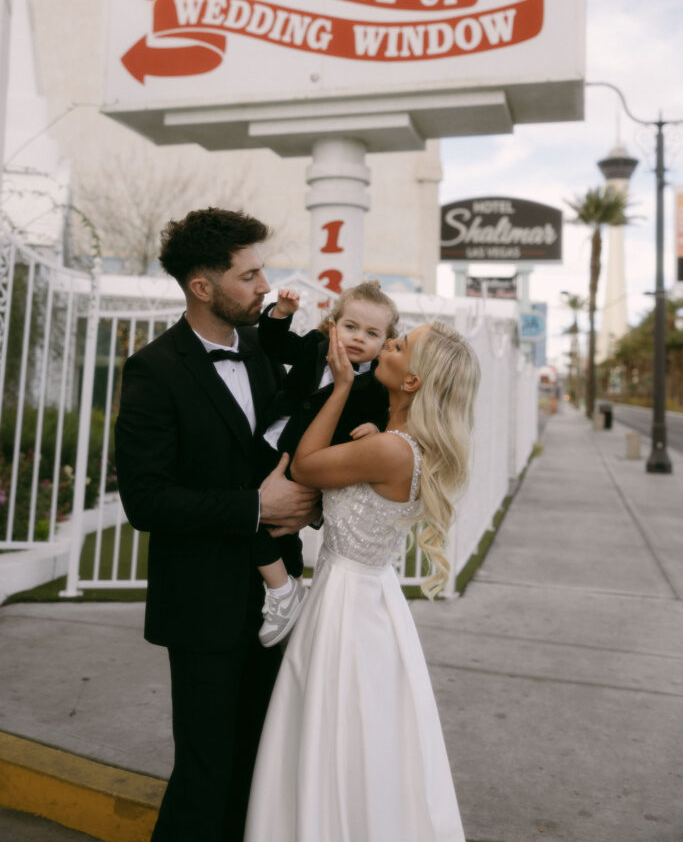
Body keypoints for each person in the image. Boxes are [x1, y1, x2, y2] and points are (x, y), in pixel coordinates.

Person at [114, 208, 320, 842]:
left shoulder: (265, 350)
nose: (265, 286)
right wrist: (257, 509)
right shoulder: (154, 370)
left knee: (261, 764)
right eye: (249, 274)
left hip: (277, 592)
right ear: (202, 287)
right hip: (201, 605)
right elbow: (146, 501)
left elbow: (288, 438)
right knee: (205, 774)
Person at [244, 319, 480, 842]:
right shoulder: (394, 440)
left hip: (348, 603)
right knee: (354, 733)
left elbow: (305, 466)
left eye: (397, 345)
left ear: (412, 381)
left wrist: (343, 384)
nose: (387, 345)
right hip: (360, 593)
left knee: (332, 729)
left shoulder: (392, 449)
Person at [253, 280, 398, 646]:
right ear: (333, 325)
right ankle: (284, 587)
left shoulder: (377, 384)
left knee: (278, 525)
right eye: (350, 327)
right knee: (247, 508)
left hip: (309, 463)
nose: (358, 338)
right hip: (274, 443)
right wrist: (280, 314)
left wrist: (376, 427)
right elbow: (273, 344)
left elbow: (391, 417)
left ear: (384, 343)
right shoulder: (315, 349)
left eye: (371, 333)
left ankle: (284, 588)